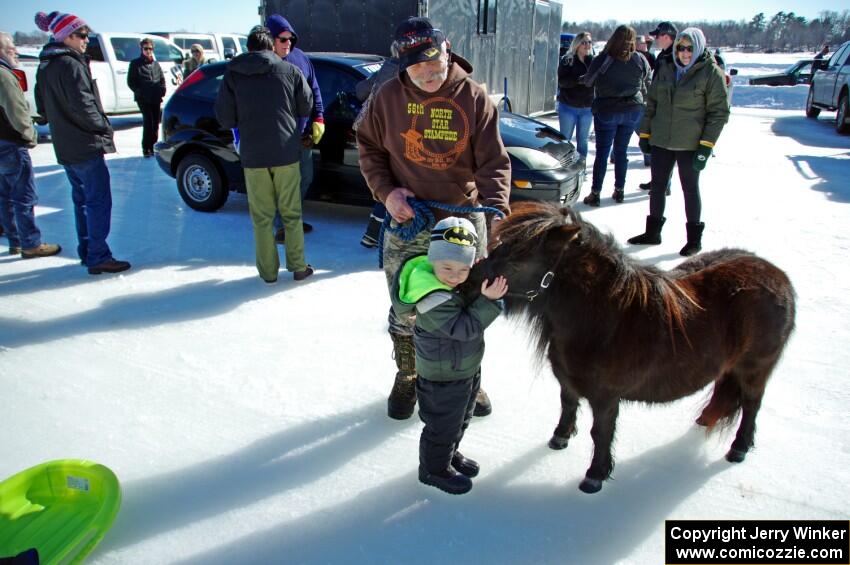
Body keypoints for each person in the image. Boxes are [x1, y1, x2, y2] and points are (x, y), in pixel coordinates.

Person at [357, 16, 511, 421]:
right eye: (415, 66)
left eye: (431, 61)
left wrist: (497, 216)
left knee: (468, 303)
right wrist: (386, 193)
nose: (426, 73)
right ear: (403, 64)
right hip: (409, 222)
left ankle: (468, 377)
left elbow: (494, 164)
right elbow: (369, 149)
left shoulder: (475, 98)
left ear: (446, 50)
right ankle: (408, 375)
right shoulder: (386, 97)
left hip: (462, 224)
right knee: (407, 306)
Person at [391, 216, 507, 494]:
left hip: (464, 369)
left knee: (461, 418)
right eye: (447, 267)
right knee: (441, 426)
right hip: (443, 378)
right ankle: (433, 470)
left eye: (463, 269)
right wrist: (489, 301)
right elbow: (464, 328)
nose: (455, 275)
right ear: (432, 260)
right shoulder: (431, 297)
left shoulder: (448, 285)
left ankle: (448, 454)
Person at [215, 25, 313, 283]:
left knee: (261, 218)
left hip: (253, 156)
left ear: (248, 49)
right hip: (286, 153)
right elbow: (307, 103)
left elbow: (224, 117)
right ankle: (299, 267)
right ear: (271, 46)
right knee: (291, 214)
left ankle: (268, 273)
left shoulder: (233, 73)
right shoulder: (289, 70)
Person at [35, 10, 130, 274]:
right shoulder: (70, 63)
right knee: (97, 201)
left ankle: (88, 251)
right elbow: (84, 105)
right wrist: (103, 127)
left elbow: (42, 106)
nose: (86, 40)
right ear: (66, 36)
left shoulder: (46, 64)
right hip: (84, 145)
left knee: (82, 201)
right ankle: (98, 255)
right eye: (82, 35)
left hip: (65, 146)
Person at [628, 27, 729, 256]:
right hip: (662, 140)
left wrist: (706, 145)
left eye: (689, 48)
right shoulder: (665, 68)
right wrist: (645, 133)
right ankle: (652, 233)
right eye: (680, 48)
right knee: (657, 187)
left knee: (689, 189)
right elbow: (652, 103)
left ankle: (694, 240)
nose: (684, 53)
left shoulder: (711, 73)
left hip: (690, 144)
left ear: (699, 48)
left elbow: (719, 113)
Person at [0, 31, 61, 258]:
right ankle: (30, 243)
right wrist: (29, 136)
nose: (15, 51)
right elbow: (17, 111)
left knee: (4, 196)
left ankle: (15, 241)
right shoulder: (4, 75)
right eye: (10, 48)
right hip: (10, 143)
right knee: (23, 196)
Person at [265, 14, 324, 242]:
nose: (287, 43)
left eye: (291, 39)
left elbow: (315, 89)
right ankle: (283, 226)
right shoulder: (264, 63)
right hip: (277, 137)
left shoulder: (300, 58)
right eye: (282, 39)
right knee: (283, 184)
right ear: (271, 39)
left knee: (304, 178)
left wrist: (319, 118)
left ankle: (293, 219)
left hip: (301, 135)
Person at [582, 25, 650, 207]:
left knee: (602, 153)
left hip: (607, 110)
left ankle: (595, 193)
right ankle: (619, 191)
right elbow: (647, 80)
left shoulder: (604, 59)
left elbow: (588, 81)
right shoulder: (639, 59)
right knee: (621, 151)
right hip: (631, 110)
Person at [353, 48, 400, 248]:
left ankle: (371, 235)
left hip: (371, 129)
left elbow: (361, 90)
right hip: (390, 133)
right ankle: (373, 235)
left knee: (385, 183)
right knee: (392, 185)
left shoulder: (387, 67)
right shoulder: (407, 70)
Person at [638, 21, 679, 192]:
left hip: (668, 112)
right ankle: (658, 180)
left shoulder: (676, 57)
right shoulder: (663, 55)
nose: (655, 39)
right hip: (657, 107)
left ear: (667, 36)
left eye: (658, 36)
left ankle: (664, 184)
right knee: (657, 149)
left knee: (667, 150)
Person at [556, 31, 594, 161]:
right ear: (577, 44)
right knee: (565, 140)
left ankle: (581, 168)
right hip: (568, 106)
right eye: (584, 42)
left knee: (583, 141)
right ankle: (564, 165)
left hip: (587, 108)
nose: (587, 45)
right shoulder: (568, 60)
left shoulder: (593, 61)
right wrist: (578, 80)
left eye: (589, 42)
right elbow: (562, 81)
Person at [127, 38, 166, 158]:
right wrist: (140, 92)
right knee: (148, 122)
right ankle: (146, 148)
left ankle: (153, 146)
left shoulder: (155, 63)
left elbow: (161, 79)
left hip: (155, 97)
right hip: (143, 99)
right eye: (146, 49)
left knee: (155, 123)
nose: (148, 51)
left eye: (150, 49)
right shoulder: (135, 63)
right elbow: (131, 82)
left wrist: (162, 90)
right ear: (141, 49)